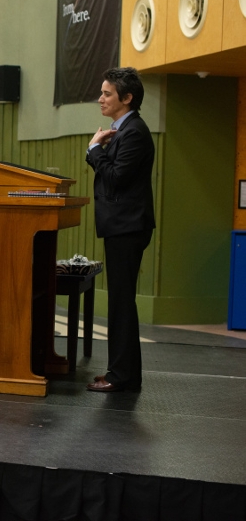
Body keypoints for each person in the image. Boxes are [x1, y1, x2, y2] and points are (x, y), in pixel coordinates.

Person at [85, 67, 155, 393]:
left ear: (126, 98)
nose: (101, 98)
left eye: (107, 93)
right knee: (120, 302)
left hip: (127, 227)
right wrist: (98, 150)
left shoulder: (134, 132)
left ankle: (122, 376)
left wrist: (95, 150)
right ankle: (122, 373)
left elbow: (115, 178)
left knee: (122, 303)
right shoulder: (122, 131)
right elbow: (112, 172)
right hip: (122, 226)